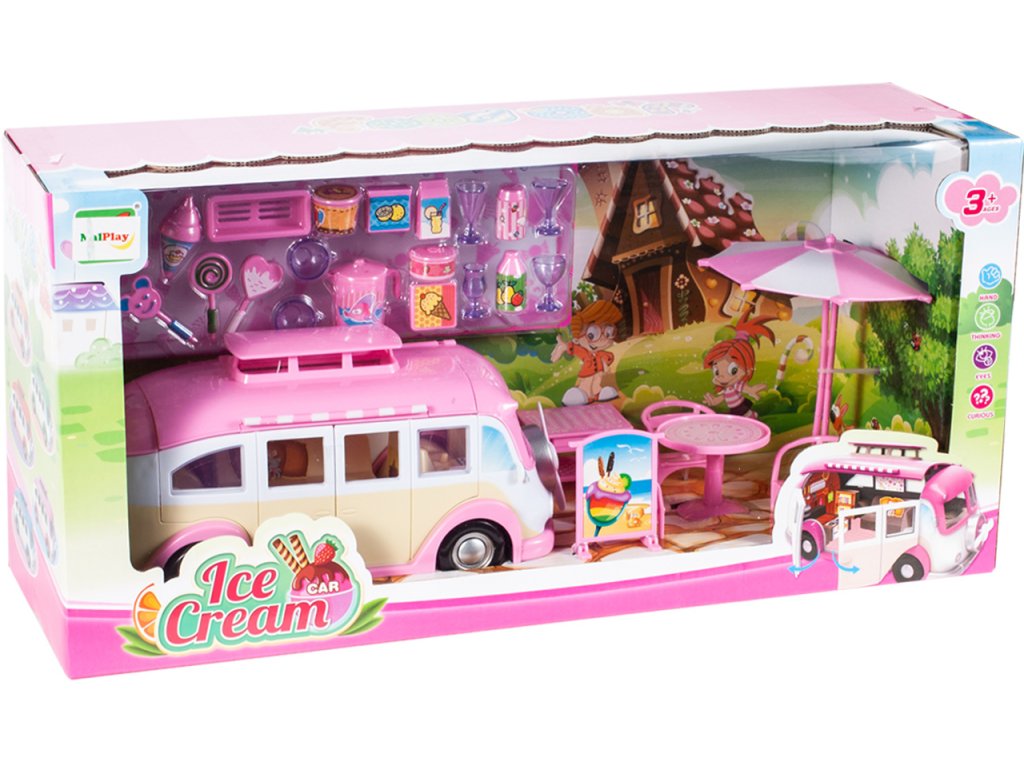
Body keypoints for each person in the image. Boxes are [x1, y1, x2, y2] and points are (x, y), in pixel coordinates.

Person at [551, 300, 623, 406]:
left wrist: (605, 366)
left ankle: (597, 393)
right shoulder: (584, 351)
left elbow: (606, 358)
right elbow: (572, 348)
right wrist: (563, 346)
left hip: (598, 373)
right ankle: (582, 394)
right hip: (587, 372)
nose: (603, 339)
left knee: (597, 381)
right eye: (592, 334)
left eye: (609, 332)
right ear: (578, 337)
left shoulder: (600, 353)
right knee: (587, 383)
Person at [702, 317, 775, 417]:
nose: (721, 376)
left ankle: (752, 416)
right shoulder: (728, 388)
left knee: (745, 415)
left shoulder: (735, 385)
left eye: (733, 370)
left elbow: (743, 387)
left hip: (740, 406)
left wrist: (750, 390)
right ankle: (751, 416)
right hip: (735, 408)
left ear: (746, 368)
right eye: (717, 372)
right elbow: (724, 396)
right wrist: (715, 401)